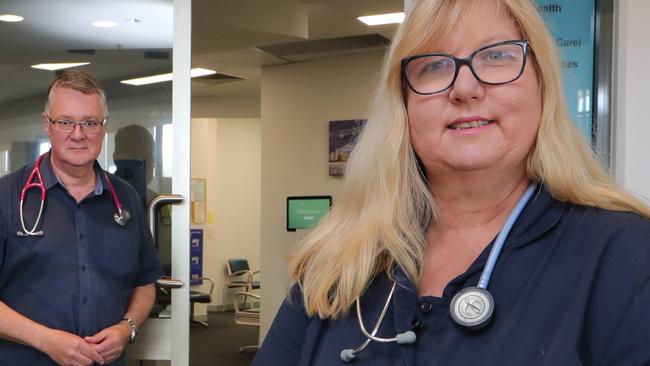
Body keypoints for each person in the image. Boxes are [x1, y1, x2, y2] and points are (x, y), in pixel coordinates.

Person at [253, 0, 650, 365]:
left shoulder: (626, 257)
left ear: (543, 85)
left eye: (496, 56)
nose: (464, 88)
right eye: (434, 65)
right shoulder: (340, 260)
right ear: (403, 104)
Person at [0, 70, 162, 365]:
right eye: (65, 122)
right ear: (46, 124)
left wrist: (127, 328)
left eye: (89, 123)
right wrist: (45, 340)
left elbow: (145, 283)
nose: (78, 134)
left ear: (103, 127)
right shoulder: (7, 197)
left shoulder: (125, 199)